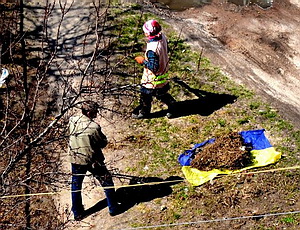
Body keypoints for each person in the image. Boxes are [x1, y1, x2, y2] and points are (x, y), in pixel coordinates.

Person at [68, 101, 119, 220]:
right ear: (89, 112)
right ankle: (113, 208)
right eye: (95, 111)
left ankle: (77, 212)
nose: (97, 113)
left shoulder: (72, 120)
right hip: (93, 161)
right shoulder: (94, 127)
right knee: (107, 182)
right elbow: (102, 143)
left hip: (75, 158)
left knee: (76, 185)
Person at [132, 19, 176, 119]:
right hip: (163, 72)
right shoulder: (162, 37)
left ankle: (144, 112)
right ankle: (172, 104)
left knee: (145, 95)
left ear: (148, 33)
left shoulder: (152, 49)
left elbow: (153, 67)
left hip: (152, 79)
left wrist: (142, 61)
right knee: (161, 94)